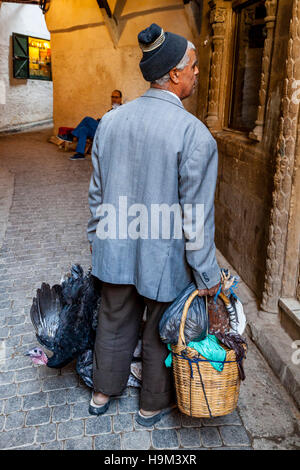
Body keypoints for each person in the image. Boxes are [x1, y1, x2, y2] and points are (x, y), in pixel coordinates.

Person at [87, 23, 221, 426]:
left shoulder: (110, 121)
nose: (198, 73)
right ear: (176, 74)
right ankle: (151, 405)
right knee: (160, 327)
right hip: (163, 256)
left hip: (114, 243)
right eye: (194, 67)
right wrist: (207, 274)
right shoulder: (194, 135)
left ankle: (101, 394)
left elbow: (97, 193)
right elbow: (195, 217)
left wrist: (99, 241)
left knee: (113, 317)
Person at [57, 90, 123, 161]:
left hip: (107, 132)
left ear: (120, 99)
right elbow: (106, 120)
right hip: (101, 129)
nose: (114, 99)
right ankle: (80, 153)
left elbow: (116, 124)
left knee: (87, 119)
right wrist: (100, 120)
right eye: (112, 97)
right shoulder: (111, 110)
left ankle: (71, 136)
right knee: (83, 129)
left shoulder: (122, 110)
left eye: (116, 97)